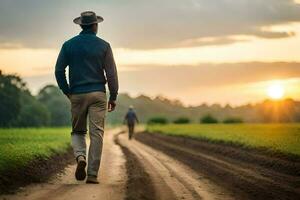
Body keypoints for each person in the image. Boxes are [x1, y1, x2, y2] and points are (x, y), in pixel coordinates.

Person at [55, 11, 118, 184]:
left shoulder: (68, 45)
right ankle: (92, 174)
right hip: (98, 94)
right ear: (95, 26)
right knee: (97, 133)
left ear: (81, 25)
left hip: (77, 94)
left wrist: (67, 91)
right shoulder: (104, 45)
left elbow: (59, 71)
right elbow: (111, 74)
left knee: (78, 131)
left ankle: (80, 157)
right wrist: (113, 96)